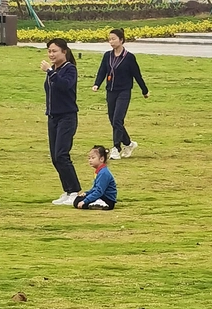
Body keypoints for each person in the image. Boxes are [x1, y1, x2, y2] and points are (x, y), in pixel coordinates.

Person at [92, 28, 149, 160]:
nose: (111, 42)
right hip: (111, 91)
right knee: (113, 120)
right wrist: (97, 84)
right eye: (109, 39)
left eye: (114, 39)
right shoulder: (107, 55)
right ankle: (128, 144)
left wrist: (144, 90)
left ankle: (116, 148)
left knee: (118, 119)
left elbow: (137, 75)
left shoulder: (129, 57)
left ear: (121, 40)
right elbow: (102, 71)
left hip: (124, 91)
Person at [41, 38, 82, 206]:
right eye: (49, 51)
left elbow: (65, 85)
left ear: (64, 52)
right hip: (53, 117)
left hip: (67, 117)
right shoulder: (55, 70)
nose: (51, 54)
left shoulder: (69, 69)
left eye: (54, 51)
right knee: (55, 157)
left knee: (62, 155)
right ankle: (67, 190)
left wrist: (50, 72)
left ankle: (76, 191)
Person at [74, 145, 117, 210]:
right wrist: (86, 193)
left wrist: (85, 201)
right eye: (89, 158)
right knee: (78, 200)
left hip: (107, 200)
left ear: (101, 159)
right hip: (102, 196)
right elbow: (95, 189)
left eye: (93, 158)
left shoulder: (103, 173)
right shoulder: (100, 171)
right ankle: (96, 202)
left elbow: (99, 191)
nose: (90, 160)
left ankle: (100, 203)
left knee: (80, 202)